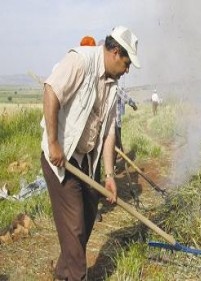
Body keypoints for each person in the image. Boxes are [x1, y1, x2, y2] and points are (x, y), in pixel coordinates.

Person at [40, 26, 140, 280]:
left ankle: (64, 272)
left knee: (87, 216)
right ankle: (74, 275)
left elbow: (108, 135)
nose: (127, 70)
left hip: (85, 160)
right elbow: (51, 90)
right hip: (61, 158)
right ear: (116, 52)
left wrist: (108, 175)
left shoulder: (113, 86)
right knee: (74, 226)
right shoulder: (81, 60)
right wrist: (53, 143)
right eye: (127, 63)